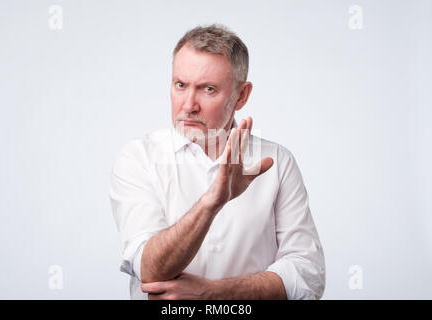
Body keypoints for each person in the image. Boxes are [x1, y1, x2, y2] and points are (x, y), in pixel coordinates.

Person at [109, 24, 325, 300]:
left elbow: (308, 274)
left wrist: (212, 294)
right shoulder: (139, 157)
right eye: (180, 85)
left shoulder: (277, 162)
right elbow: (149, 269)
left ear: (241, 95)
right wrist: (212, 201)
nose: (188, 105)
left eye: (208, 89)